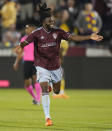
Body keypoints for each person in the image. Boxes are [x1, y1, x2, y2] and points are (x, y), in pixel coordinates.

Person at [14, 3, 103, 126]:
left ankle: (52, 85)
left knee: (56, 91)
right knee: (44, 88)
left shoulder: (58, 31)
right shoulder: (37, 33)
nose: (52, 20)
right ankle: (47, 117)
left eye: (52, 18)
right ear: (43, 21)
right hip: (41, 65)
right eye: (49, 19)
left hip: (55, 66)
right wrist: (19, 46)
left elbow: (73, 37)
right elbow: (25, 42)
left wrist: (89, 36)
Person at [13, 24, 42, 104]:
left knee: (35, 79)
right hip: (27, 62)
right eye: (26, 28)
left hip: (36, 61)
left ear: (33, 29)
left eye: (28, 28)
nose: (26, 30)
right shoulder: (23, 39)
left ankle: (38, 99)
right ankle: (35, 98)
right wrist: (16, 62)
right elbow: (20, 52)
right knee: (27, 83)